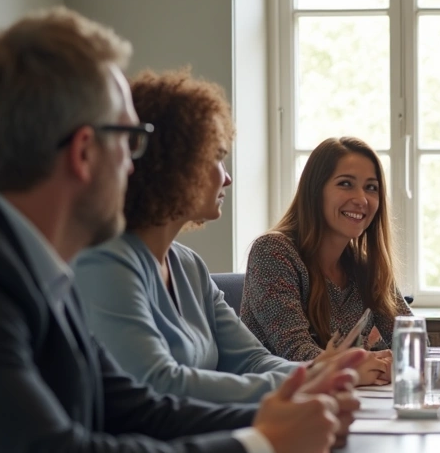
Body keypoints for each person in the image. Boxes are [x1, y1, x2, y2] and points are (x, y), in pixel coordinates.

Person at [0, 8, 421, 453]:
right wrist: (263, 447)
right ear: (85, 152)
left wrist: (290, 417)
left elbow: (134, 407)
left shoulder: (27, 260)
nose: (138, 164)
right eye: (131, 140)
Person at [74, 69, 332, 403]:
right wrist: (306, 383)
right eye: (216, 158)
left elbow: (251, 360)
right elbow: (160, 384)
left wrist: (322, 372)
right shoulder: (105, 262)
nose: (227, 178)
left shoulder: (189, 265)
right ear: (171, 165)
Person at [242, 136, 406, 386]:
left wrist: (395, 363)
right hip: (278, 402)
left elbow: (414, 344)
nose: (361, 199)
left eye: (371, 187)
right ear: (315, 191)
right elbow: (297, 355)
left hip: (350, 399)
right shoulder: (272, 252)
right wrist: (364, 366)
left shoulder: (365, 267)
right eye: (345, 184)